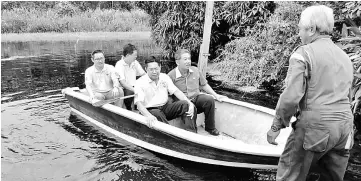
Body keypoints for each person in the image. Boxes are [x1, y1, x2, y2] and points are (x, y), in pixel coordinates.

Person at [266, 5, 354, 181]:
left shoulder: (303, 54)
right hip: (345, 128)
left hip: (315, 127)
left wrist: (276, 126)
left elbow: (291, 97)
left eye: (300, 28)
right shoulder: (345, 57)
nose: (299, 33)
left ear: (312, 29)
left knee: (289, 176)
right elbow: (349, 96)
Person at [168, 49, 227, 136]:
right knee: (188, 106)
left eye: (189, 59)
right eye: (185, 59)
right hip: (183, 104)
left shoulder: (195, 70)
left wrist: (216, 95)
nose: (188, 61)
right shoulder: (170, 76)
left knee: (209, 99)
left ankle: (210, 128)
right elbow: (167, 94)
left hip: (195, 98)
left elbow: (203, 85)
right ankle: (192, 133)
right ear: (177, 62)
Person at [134, 57, 197, 132]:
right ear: (146, 69)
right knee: (157, 113)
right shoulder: (139, 82)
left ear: (160, 67)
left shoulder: (164, 77)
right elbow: (139, 104)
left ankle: (191, 133)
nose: (154, 72)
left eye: (156, 69)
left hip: (164, 107)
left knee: (187, 105)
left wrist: (189, 103)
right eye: (151, 69)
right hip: (150, 110)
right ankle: (171, 135)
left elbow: (176, 91)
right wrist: (148, 115)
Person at [115, 43, 146, 110]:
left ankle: (141, 107)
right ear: (128, 55)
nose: (136, 57)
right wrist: (135, 90)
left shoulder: (135, 63)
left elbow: (144, 74)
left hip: (134, 85)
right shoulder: (119, 65)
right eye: (134, 55)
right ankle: (128, 109)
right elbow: (123, 83)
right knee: (130, 92)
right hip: (124, 89)